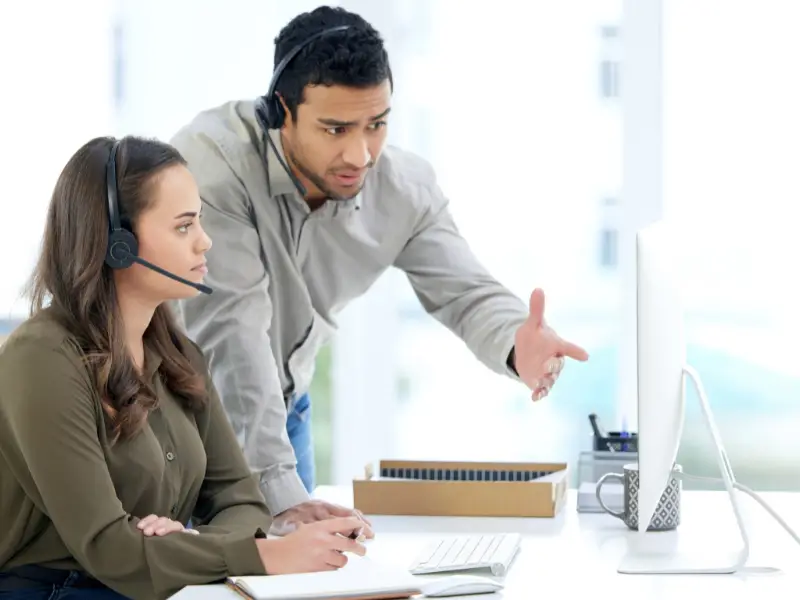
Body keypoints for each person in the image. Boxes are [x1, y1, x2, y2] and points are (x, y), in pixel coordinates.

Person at [170, 5, 589, 534]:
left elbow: (465, 292)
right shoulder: (214, 167)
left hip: (283, 414)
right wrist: (278, 490)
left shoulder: (402, 190)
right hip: (187, 422)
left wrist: (513, 341)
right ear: (281, 112)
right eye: (335, 128)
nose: (360, 154)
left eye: (376, 125)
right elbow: (234, 337)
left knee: (299, 569)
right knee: (203, 570)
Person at [0, 136, 367, 600]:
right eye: (183, 226)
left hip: (158, 588)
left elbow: (241, 500)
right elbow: (109, 548)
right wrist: (264, 555)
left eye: (200, 221)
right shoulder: (42, 359)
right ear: (117, 244)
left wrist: (187, 544)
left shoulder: (177, 354)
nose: (204, 241)